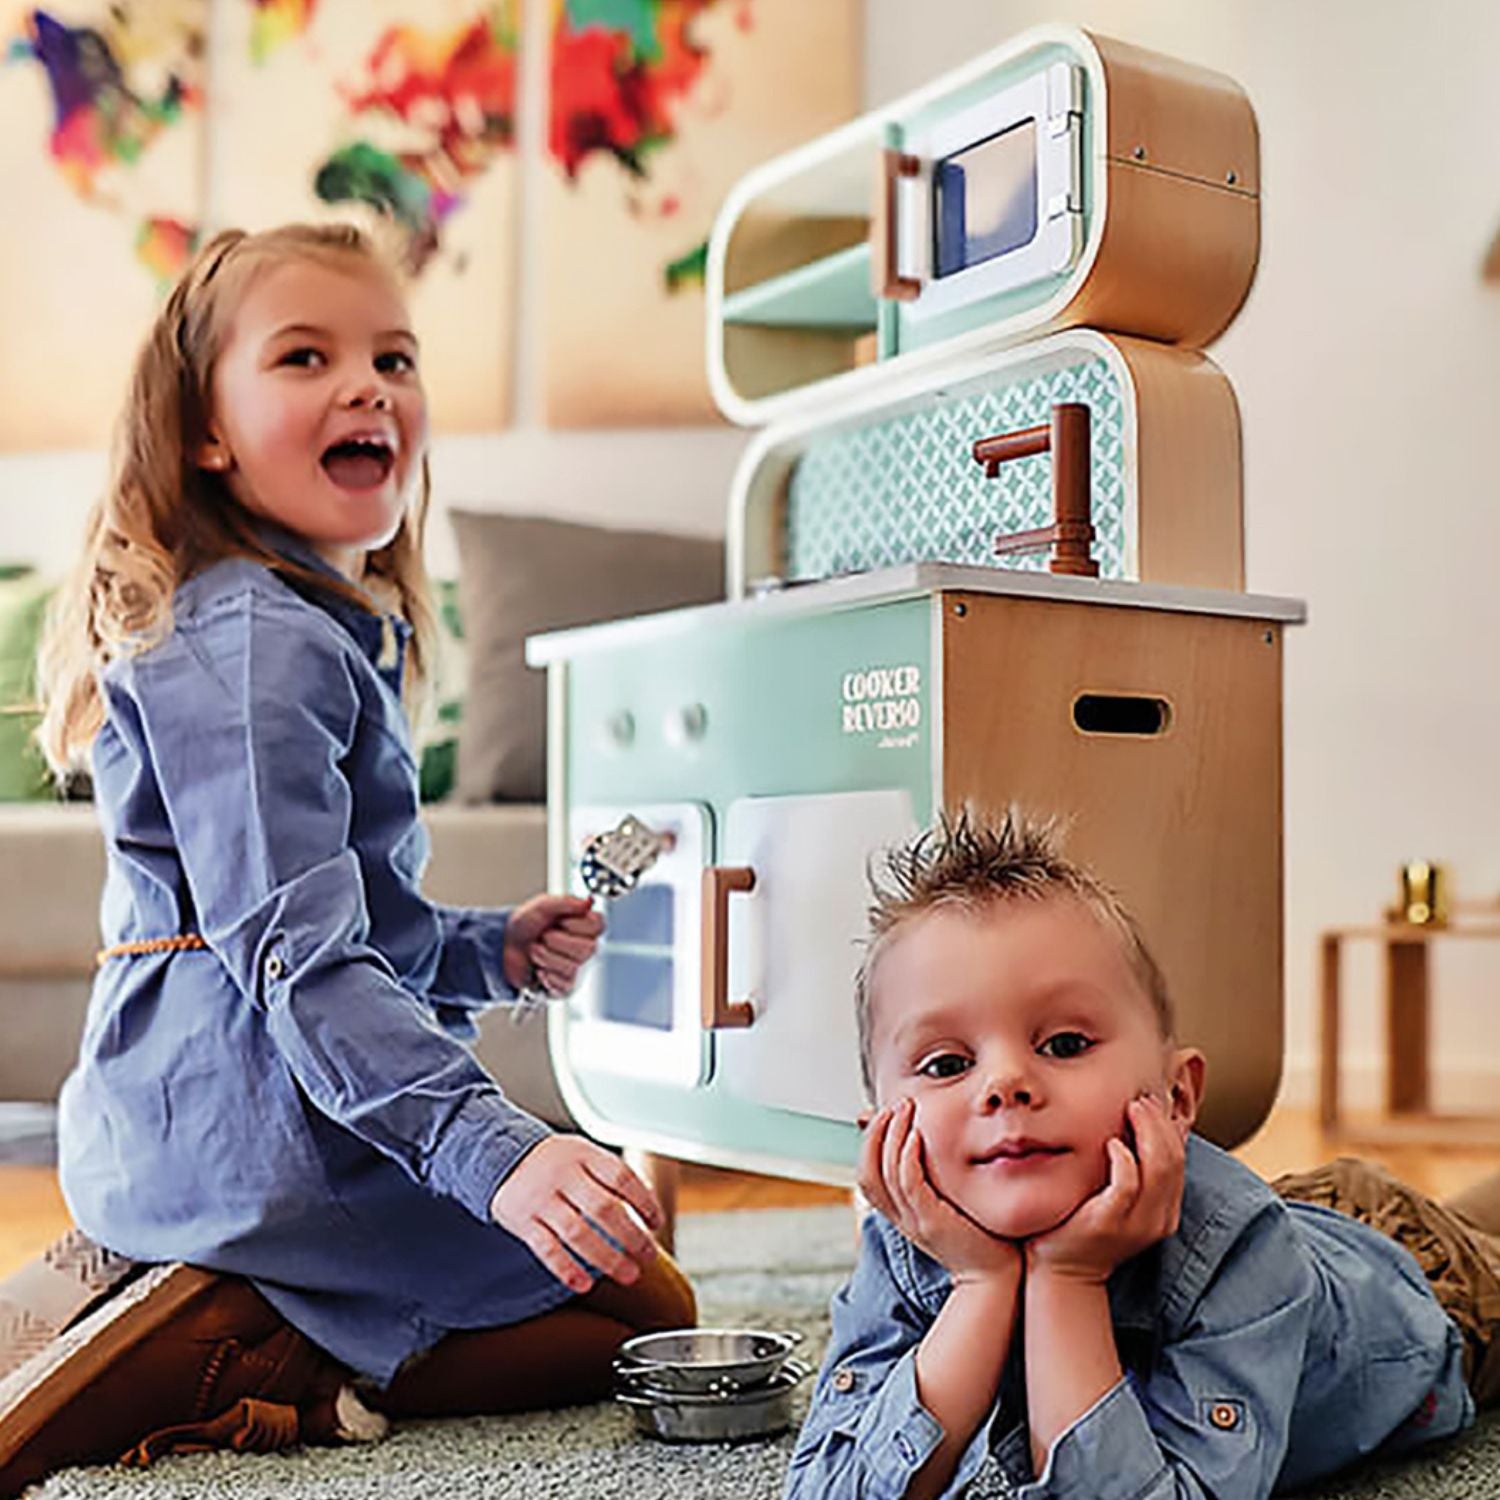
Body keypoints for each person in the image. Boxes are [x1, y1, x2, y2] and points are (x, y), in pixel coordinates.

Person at [0, 223, 694, 1498]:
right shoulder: (261, 642)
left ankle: (252, 1289)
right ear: (206, 431)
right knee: (639, 1317)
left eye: (394, 356)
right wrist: (496, 1151)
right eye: (306, 356)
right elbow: (296, 959)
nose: (369, 384)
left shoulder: (288, 624)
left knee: (633, 1268)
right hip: (255, 1131)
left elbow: (349, 914)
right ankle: (267, 1341)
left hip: (193, 1118)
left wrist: (488, 948)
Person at [785, 807, 1500, 1500]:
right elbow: (825, 1489)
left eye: (1064, 1044)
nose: (1005, 1084)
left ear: (1177, 1098)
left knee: (1467, 1229)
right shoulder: (910, 1238)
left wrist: (1069, 1277)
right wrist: (979, 1286)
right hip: (1305, 1211)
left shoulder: (1238, 1249)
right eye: (946, 1064)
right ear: (880, 1130)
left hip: (1430, 1290)